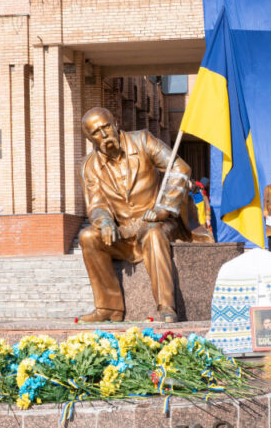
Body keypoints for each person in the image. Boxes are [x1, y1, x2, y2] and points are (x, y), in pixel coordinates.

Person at [77, 107, 209, 324]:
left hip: (158, 221)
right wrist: (105, 220)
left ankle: (167, 307)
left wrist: (164, 208)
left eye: (106, 127)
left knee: (153, 233)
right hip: (124, 232)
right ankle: (108, 307)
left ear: (116, 123)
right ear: (90, 139)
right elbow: (96, 203)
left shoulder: (143, 140)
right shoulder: (88, 166)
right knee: (88, 236)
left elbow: (180, 168)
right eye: (96, 132)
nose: (104, 135)